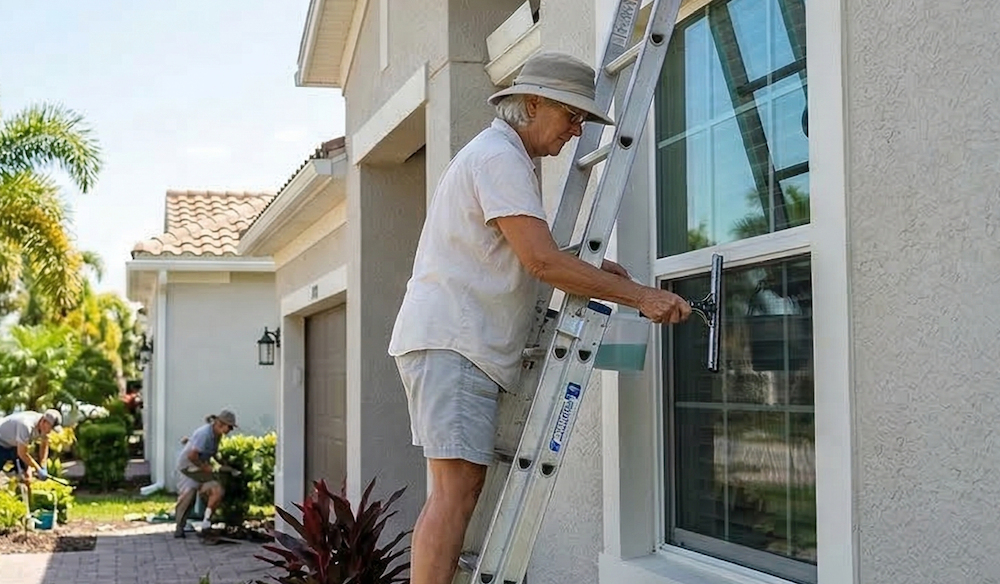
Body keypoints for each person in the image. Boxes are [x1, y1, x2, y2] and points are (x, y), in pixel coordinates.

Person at [388, 51, 692, 584]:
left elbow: (520, 252)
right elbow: (540, 261)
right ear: (532, 103)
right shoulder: (499, 158)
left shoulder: (501, 156)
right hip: (456, 342)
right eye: (572, 116)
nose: (576, 132)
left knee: (458, 493)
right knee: (453, 496)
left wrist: (594, 268)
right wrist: (639, 295)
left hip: (456, 342)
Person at [173, 409, 236, 538]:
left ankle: (205, 523)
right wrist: (204, 467)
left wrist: (222, 462)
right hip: (188, 467)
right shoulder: (204, 434)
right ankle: (180, 527)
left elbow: (212, 452)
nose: (230, 430)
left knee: (216, 490)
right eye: (230, 427)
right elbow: (192, 455)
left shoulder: (217, 435)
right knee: (189, 496)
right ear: (221, 424)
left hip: (199, 468)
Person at [0, 409, 61, 483]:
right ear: (44, 421)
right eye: (50, 428)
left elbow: (44, 445)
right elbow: (22, 453)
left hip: (13, 444)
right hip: (1, 442)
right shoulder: (26, 425)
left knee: (27, 476)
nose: (50, 431)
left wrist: (43, 465)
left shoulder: (43, 427)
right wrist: (37, 469)